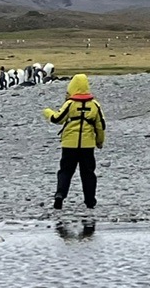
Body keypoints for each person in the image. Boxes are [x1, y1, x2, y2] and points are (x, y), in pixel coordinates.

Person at [43, 73, 106, 211]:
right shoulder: (94, 105)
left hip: (69, 145)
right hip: (87, 146)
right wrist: (99, 141)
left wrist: (47, 112)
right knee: (88, 173)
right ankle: (90, 201)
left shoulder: (70, 104)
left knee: (65, 171)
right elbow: (100, 125)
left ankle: (60, 194)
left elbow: (57, 119)